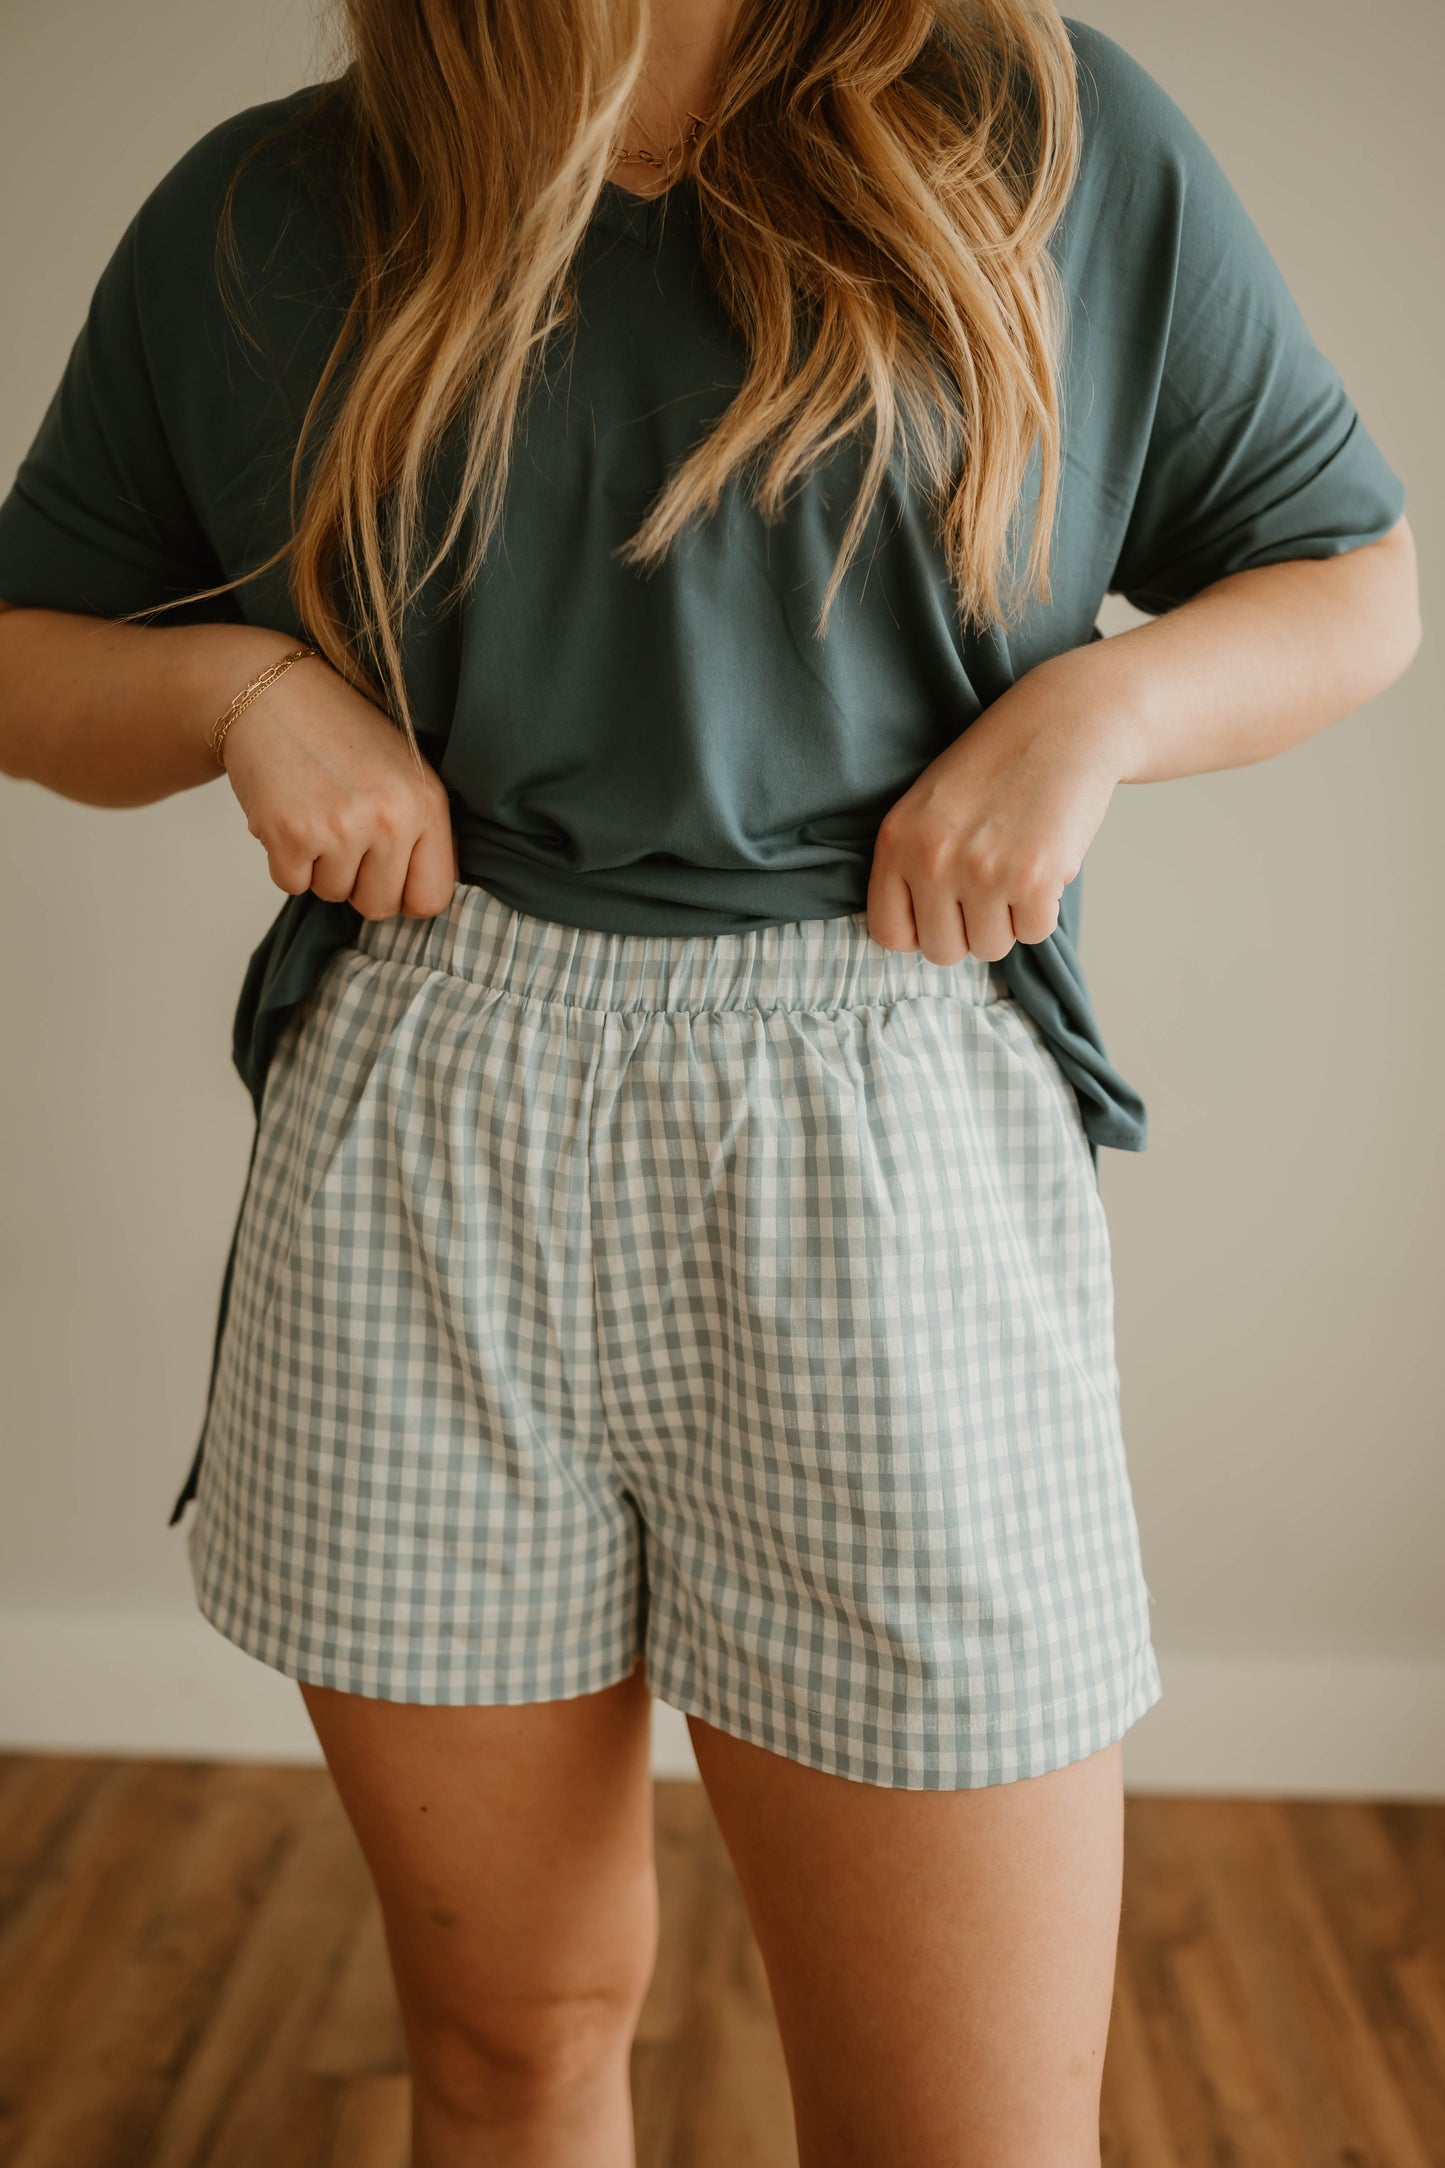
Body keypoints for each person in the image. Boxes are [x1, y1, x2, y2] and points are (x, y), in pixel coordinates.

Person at [0, 1, 1419, 2162]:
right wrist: (238, 689)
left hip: (887, 1126)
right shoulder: (275, 206)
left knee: (959, 2127)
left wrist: (1104, 714)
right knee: (504, 2041)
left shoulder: (1036, 125)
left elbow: (1350, 574)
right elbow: (28, 650)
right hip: (427, 1129)